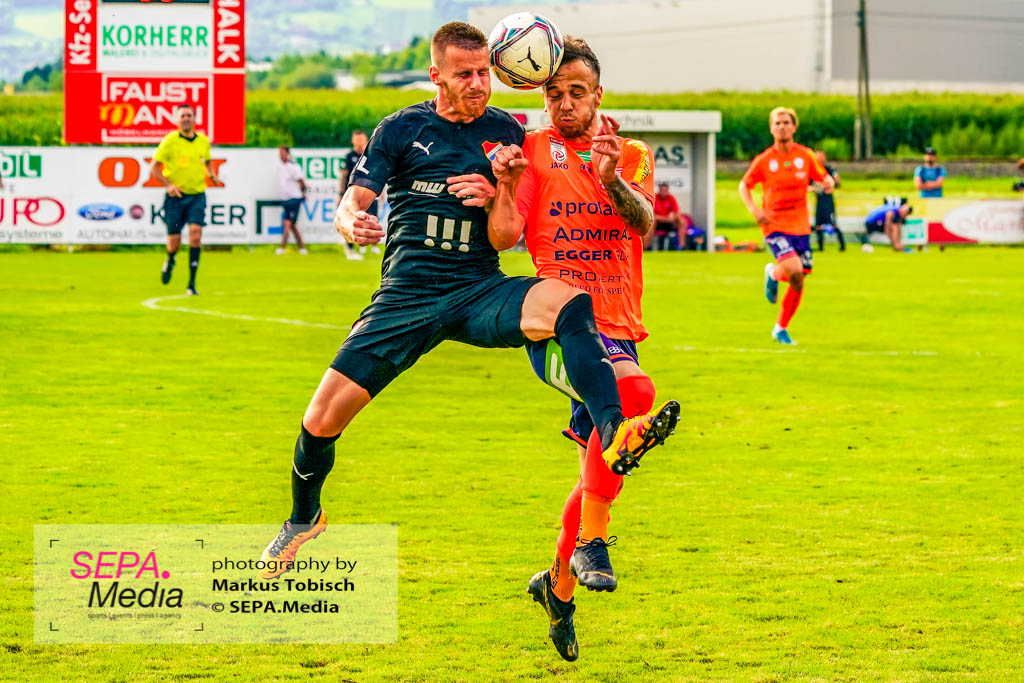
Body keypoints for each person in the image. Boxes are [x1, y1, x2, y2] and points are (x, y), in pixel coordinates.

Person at [257, 23, 680, 602]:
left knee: (565, 298)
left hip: (478, 287)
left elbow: (508, 233)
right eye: (465, 74)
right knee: (321, 419)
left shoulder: (507, 132)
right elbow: (354, 200)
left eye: (485, 71)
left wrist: (503, 186)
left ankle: (611, 433)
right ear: (438, 76)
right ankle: (304, 519)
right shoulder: (403, 129)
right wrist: (347, 221)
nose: (479, 84)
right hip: (407, 296)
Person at [489, 37, 660, 662]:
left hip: (618, 324)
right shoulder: (533, 150)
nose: (564, 103)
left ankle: (558, 586)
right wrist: (505, 186)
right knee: (633, 398)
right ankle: (593, 543)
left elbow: (642, 222)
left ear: (598, 95)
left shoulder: (630, 151)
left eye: (576, 93)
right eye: (553, 93)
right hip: (556, 321)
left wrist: (612, 178)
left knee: (607, 454)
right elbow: (506, 237)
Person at [738, 107, 833, 346]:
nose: (782, 126)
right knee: (794, 270)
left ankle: (780, 327)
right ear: (771, 128)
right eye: (777, 123)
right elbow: (744, 186)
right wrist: (755, 210)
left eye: (786, 122)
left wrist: (828, 182)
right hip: (774, 225)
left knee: (798, 280)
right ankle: (774, 272)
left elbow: (823, 178)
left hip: (800, 226)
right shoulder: (764, 160)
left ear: (794, 127)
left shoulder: (806, 156)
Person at [152, 104, 219, 296]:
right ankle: (170, 259)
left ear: (195, 119)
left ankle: (191, 283)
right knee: (174, 242)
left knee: (196, 234)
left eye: (189, 115)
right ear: (177, 120)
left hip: (197, 195)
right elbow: (154, 168)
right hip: (176, 197)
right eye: (183, 116)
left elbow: (207, 161)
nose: (186, 118)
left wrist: (211, 174)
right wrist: (168, 185)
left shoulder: (203, 141)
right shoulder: (169, 141)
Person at [338, 129, 378, 260]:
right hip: (354, 194)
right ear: (353, 140)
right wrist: (341, 193)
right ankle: (350, 248)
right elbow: (344, 175)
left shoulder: (371, 155)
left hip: (370, 191)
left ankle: (372, 245)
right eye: (357, 139)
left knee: (371, 218)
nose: (360, 142)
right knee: (353, 219)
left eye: (362, 139)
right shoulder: (349, 156)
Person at [276, 146, 308, 255]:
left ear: (287, 154)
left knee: (287, 223)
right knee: (292, 225)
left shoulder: (293, 167)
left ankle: (282, 247)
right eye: (279, 153)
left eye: (282, 153)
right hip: (285, 199)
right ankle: (302, 248)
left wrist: (303, 193)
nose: (280, 155)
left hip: (294, 198)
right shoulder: (281, 167)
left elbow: (301, 181)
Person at [811, 150, 844, 252]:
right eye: (817, 157)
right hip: (819, 201)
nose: (819, 159)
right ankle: (820, 247)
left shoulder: (829, 170)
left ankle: (842, 246)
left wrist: (830, 184)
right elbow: (807, 185)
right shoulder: (813, 171)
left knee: (832, 224)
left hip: (828, 201)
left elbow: (837, 182)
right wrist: (814, 188)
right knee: (818, 225)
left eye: (821, 157)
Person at [653, 182, 681, 250]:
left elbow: (677, 213)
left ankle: (681, 247)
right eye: (662, 190)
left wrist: (673, 215)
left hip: (669, 223)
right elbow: (653, 215)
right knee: (652, 222)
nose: (664, 192)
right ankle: (647, 247)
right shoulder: (655, 198)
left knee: (682, 222)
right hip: (658, 224)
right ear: (659, 190)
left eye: (665, 191)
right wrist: (666, 218)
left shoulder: (671, 198)